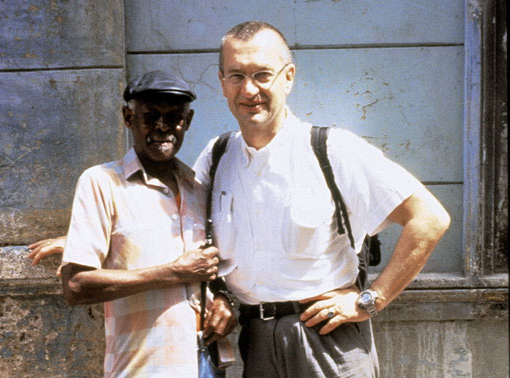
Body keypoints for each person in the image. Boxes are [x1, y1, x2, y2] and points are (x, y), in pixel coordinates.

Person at [193, 21, 451, 378]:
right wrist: (217, 294)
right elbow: (189, 238)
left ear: (289, 77)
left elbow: (429, 218)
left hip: (328, 340)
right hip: (255, 341)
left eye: (262, 75)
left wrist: (370, 301)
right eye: (236, 75)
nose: (249, 89)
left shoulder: (330, 149)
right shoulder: (216, 156)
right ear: (222, 82)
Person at [59, 70, 236, 378]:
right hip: (143, 369)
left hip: (206, 366)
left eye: (173, 118)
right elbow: (76, 286)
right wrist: (175, 273)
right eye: (150, 117)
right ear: (128, 118)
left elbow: (215, 270)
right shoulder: (102, 183)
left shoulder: (199, 189)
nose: (162, 127)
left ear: (188, 121)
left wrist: (224, 299)